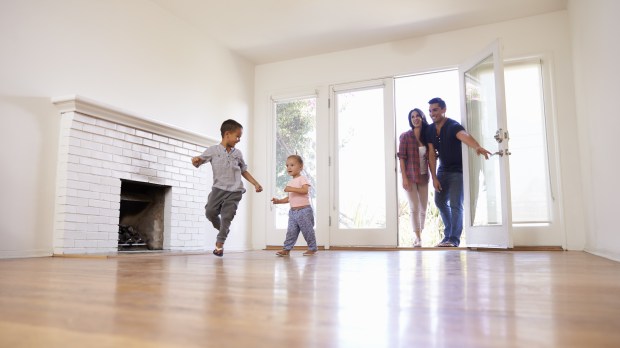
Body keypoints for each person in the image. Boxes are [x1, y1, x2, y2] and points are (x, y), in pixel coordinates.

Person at [191, 119, 263, 257]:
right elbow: (198, 161)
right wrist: (195, 161)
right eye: (237, 136)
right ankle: (224, 230)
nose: (239, 140)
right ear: (227, 134)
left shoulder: (238, 154)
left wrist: (255, 183)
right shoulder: (213, 150)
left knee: (226, 217)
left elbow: (244, 171)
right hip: (218, 189)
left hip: (235, 191)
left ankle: (219, 245)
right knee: (210, 212)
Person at [426, 97, 491, 247]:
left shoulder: (453, 125)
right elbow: (431, 153)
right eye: (430, 111)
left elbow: (465, 136)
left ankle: (453, 239)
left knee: (455, 204)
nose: (432, 113)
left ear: (443, 109)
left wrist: (477, 147)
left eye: (435, 110)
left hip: (457, 171)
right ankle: (448, 235)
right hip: (442, 170)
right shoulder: (429, 130)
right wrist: (434, 177)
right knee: (440, 202)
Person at [271, 155, 318, 256]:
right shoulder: (290, 182)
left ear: (301, 167)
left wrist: (291, 189)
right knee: (291, 232)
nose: (289, 167)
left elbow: (305, 190)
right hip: (293, 212)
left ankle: (312, 248)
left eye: (292, 165)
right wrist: (278, 201)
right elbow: (289, 198)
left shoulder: (302, 179)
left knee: (307, 231)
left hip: (304, 211)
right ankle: (286, 249)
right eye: (287, 165)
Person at [397, 108, 430, 247]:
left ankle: (419, 233)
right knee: (414, 207)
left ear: (422, 118)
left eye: (418, 116)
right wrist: (404, 177)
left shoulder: (427, 136)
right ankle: (418, 238)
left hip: (423, 176)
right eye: (412, 117)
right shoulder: (405, 136)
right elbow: (402, 158)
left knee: (423, 208)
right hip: (409, 176)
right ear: (410, 120)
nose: (415, 118)